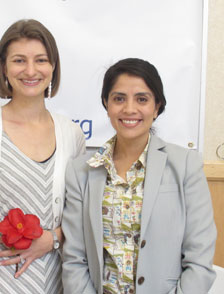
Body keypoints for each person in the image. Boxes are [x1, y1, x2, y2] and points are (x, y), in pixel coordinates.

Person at [62, 58, 217, 294]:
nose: (129, 109)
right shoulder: (81, 171)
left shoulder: (186, 165)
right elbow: (74, 259)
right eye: (119, 98)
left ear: (157, 107)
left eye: (142, 99)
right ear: (106, 104)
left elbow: (199, 260)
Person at [0, 19, 86, 293]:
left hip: (58, 284)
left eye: (40, 60)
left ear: (53, 67)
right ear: (4, 67)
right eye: (19, 60)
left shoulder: (71, 134)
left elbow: (81, 214)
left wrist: (52, 238)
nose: (30, 70)